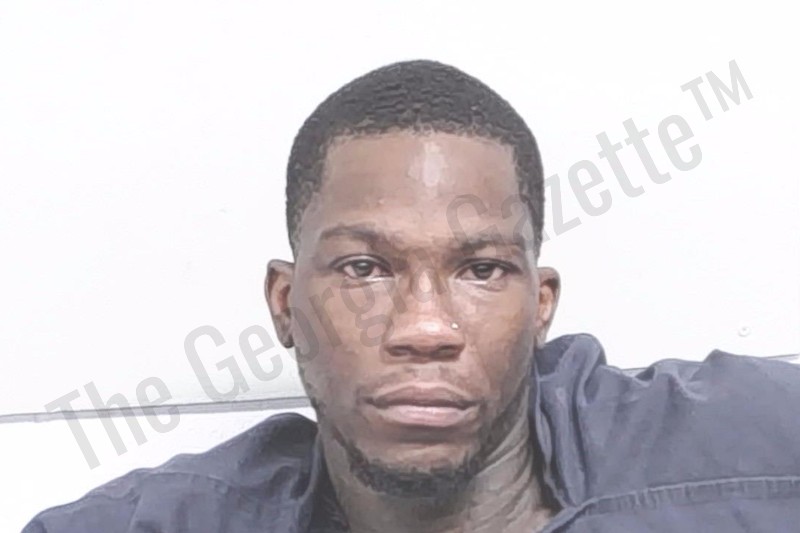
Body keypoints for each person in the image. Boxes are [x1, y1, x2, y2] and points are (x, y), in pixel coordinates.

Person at [24, 60, 800, 533]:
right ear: (285, 303)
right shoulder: (166, 521)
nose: (425, 326)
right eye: (364, 268)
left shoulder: (752, 455)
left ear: (541, 305)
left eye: (481, 270)